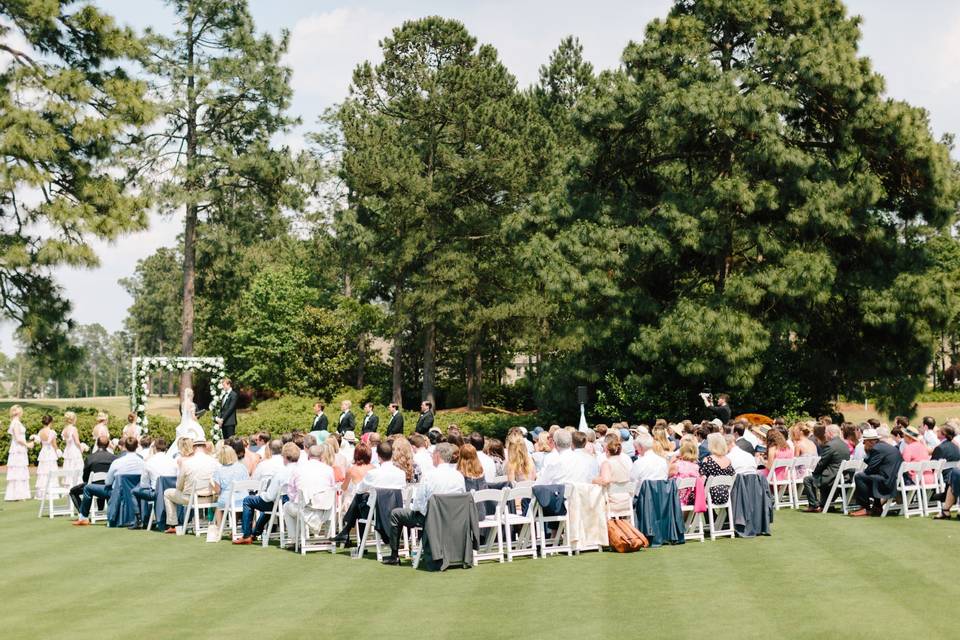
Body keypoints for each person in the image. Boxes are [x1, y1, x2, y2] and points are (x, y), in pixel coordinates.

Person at [382, 443, 465, 565]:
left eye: (432, 455)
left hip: (431, 518)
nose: (431, 457)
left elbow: (418, 505)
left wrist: (413, 508)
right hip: (453, 517)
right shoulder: (459, 476)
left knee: (395, 513)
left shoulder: (430, 476)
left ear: (437, 455)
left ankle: (394, 555)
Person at [234, 442, 299, 545]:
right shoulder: (301, 469)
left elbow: (269, 496)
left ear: (285, 456)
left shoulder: (281, 473)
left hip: (280, 503)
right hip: (295, 502)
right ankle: (255, 533)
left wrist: (260, 495)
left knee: (248, 500)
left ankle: (246, 535)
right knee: (268, 507)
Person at [73, 437, 144, 526]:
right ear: (137, 446)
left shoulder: (118, 462)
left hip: (118, 493)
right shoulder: (142, 462)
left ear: (125, 446)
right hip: (136, 492)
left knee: (87, 488)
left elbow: (108, 482)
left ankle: (83, 518)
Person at [163, 437, 219, 533]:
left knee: (167, 493)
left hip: (191, 498)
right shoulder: (214, 462)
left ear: (193, 447)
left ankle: (173, 524)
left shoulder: (187, 463)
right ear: (205, 446)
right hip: (212, 498)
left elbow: (179, 486)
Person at [850, 429, 903, 517]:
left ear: (870, 442)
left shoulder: (876, 449)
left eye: (864, 442)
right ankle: (877, 506)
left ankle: (865, 508)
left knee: (859, 476)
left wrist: (867, 454)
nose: (863, 444)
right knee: (872, 477)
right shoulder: (884, 446)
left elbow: (870, 469)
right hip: (893, 479)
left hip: (888, 482)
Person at [130, 437, 177, 529]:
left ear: (154, 448)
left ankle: (139, 520)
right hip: (172, 491)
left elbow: (144, 484)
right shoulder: (173, 461)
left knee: (133, 492)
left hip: (155, 493)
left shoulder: (149, 462)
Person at [802, 424, 850, 512]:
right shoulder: (844, 444)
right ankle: (825, 504)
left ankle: (814, 505)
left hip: (832, 477)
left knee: (807, 480)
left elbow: (822, 463)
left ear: (830, 433)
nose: (824, 435)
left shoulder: (830, 445)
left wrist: (815, 473)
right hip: (842, 476)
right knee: (820, 476)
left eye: (825, 433)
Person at [69, 436, 116, 513]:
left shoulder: (90, 458)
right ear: (108, 445)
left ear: (97, 444)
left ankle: (83, 514)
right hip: (110, 487)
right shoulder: (114, 458)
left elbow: (85, 477)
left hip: (93, 487)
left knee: (73, 492)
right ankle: (102, 510)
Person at [210, 444, 251, 531]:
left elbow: (218, 491)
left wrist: (211, 486)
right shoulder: (242, 467)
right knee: (231, 502)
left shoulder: (219, 470)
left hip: (227, 499)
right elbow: (247, 483)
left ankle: (219, 528)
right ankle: (235, 528)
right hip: (244, 498)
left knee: (218, 507)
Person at [699, 433, 735, 504]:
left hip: (709, 496)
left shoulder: (708, 459)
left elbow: (701, 477)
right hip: (725, 495)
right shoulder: (728, 460)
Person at [5, 405, 31, 501]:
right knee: (18, 469)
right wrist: (27, 445)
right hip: (18, 449)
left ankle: (19, 493)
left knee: (20, 469)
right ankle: (17, 494)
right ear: (19, 412)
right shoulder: (15, 423)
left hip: (20, 448)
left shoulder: (16, 422)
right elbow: (18, 438)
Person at [341, 443, 374, 513]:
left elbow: (344, 487)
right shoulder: (374, 469)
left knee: (345, 496)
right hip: (371, 503)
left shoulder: (352, 469)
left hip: (354, 503)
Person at [667, 437, 701, 505]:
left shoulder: (677, 466)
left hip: (673, 499)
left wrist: (671, 461)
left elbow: (664, 476)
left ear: (682, 451)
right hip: (688, 500)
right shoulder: (696, 467)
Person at [33, 414, 59, 500]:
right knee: (51, 470)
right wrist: (58, 452)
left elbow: (41, 443)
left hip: (43, 452)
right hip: (50, 452)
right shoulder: (52, 432)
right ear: (51, 422)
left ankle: (42, 493)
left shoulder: (40, 432)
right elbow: (54, 445)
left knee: (43, 471)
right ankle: (51, 492)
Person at [174, 388, 205, 452]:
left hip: (184, 424)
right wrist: (198, 420)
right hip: (191, 423)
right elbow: (193, 416)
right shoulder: (192, 404)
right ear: (191, 395)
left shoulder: (183, 404)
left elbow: (183, 415)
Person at [60, 411, 84, 486]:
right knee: (76, 468)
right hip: (74, 451)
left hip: (68, 450)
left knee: (69, 467)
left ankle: (68, 484)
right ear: (73, 419)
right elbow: (77, 441)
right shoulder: (73, 429)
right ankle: (76, 484)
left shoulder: (65, 430)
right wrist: (81, 447)